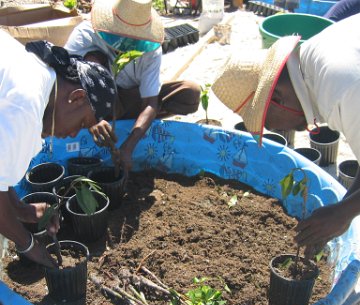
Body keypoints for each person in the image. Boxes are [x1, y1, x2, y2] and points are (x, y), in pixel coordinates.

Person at [212, 14, 360, 258]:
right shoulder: (315, 60)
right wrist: (343, 207)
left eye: (270, 123)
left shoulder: (339, 90)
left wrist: (342, 214)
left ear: (278, 98)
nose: (280, 131)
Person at [0, 29, 117, 268]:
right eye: (83, 123)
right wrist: (30, 246)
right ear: (76, 97)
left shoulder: (35, 75)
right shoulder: (26, 106)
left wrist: (23, 210)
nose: (73, 134)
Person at [64, 0, 201, 176]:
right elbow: (63, 77)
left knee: (190, 92)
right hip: (95, 100)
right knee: (93, 59)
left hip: (129, 99)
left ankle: (129, 123)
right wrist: (91, 117)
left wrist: (129, 145)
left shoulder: (150, 48)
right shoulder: (87, 33)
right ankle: (98, 121)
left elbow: (150, 102)